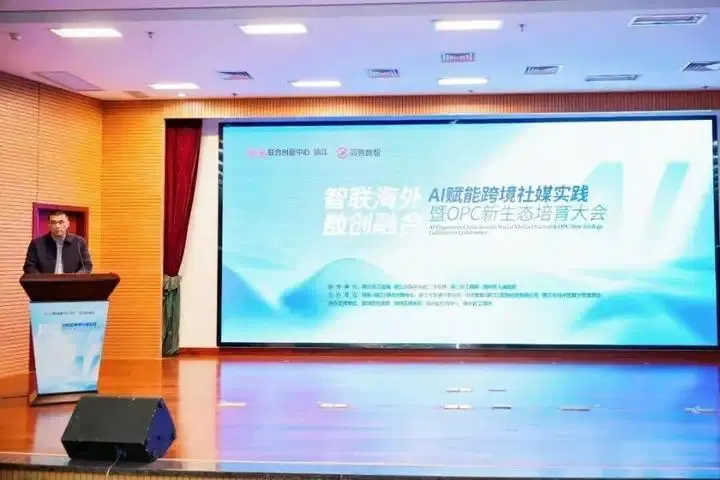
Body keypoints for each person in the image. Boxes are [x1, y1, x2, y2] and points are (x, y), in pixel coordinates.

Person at [23, 210, 93, 274]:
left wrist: (76, 277)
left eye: (61, 222)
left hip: (72, 282)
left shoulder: (79, 242)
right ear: (49, 225)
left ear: (68, 224)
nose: (57, 226)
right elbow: (29, 267)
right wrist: (42, 280)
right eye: (53, 223)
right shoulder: (37, 243)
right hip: (45, 283)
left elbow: (87, 265)